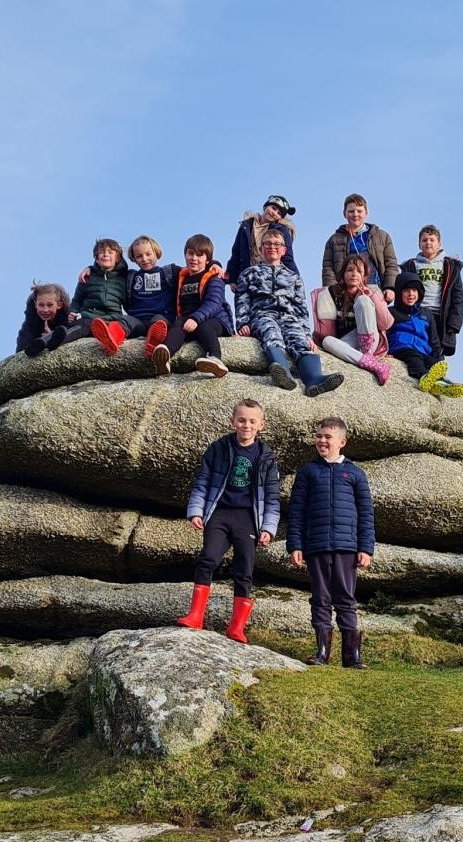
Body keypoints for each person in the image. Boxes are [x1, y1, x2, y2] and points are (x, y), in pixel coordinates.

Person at [178, 399, 281, 643]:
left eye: (252, 421)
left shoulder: (266, 456)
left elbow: (273, 496)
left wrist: (268, 528)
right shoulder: (219, 448)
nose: (246, 425)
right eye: (242, 420)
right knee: (208, 559)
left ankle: (236, 627)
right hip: (220, 513)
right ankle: (195, 616)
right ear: (233, 422)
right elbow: (202, 481)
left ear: (261, 425)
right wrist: (196, 511)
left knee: (244, 570)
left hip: (247, 518)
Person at [287, 417, 375, 670]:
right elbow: (297, 511)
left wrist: (365, 548)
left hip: (347, 547)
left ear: (342, 442)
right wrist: (296, 545)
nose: (322, 440)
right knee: (321, 598)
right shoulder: (307, 473)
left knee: (346, 598)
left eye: (328, 437)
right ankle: (322, 651)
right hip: (316, 546)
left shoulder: (355, 474)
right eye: (319, 436)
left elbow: (366, 513)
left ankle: (352, 655)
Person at [235, 232, 344, 397]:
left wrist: (308, 335)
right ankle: (282, 372)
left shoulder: (294, 277)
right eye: (268, 243)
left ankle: (314, 380)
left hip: (289, 318)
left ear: (284, 250)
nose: (272, 247)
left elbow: (301, 308)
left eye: (277, 244)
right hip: (263, 315)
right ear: (261, 248)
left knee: (300, 341)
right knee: (271, 333)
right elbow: (242, 300)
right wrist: (242, 323)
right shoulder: (249, 273)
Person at [151, 234, 234, 378]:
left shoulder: (214, 278)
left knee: (204, 326)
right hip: (188, 319)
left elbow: (214, 303)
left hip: (215, 319)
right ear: (185, 254)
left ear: (207, 259)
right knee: (178, 324)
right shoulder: (181, 276)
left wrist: (196, 318)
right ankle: (165, 356)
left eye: (199, 255)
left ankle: (215, 358)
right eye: (190, 253)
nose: (194, 258)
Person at [313, 256, 393, 385]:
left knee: (362, 301)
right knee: (327, 341)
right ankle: (374, 365)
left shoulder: (372, 292)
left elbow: (386, 324)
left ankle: (367, 353)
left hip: (371, 340)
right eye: (349, 270)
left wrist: (371, 296)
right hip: (349, 342)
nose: (354, 274)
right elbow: (325, 330)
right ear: (343, 273)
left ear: (363, 276)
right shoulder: (332, 293)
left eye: (358, 271)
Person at [387, 272, 463, 397]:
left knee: (432, 362)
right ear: (399, 293)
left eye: (414, 290)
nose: (411, 294)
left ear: (419, 293)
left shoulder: (426, 314)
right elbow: (385, 332)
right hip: (401, 347)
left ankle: (441, 384)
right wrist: (385, 352)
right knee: (414, 358)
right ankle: (423, 377)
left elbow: (434, 339)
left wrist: (438, 358)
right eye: (406, 290)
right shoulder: (392, 312)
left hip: (423, 350)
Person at [400, 224, 463, 357]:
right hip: (419, 312)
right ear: (419, 244)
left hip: (440, 315)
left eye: (432, 240)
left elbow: (457, 296)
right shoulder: (411, 265)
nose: (428, 242)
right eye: (424, 240)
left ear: (439, 244)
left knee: (437, 351)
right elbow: (402, 291)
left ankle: (437, 374)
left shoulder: (450, 266)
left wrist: (454, 324)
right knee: (417, 345)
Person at [321, 193, 399, 300]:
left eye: (359, 211)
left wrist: (390, 287)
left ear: (366, 213)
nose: (355, 214)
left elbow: (391, 264)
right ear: (344, 214)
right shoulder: (334, 240)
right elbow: (328, 268)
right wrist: (333, 290)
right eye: (351, 211)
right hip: (346, 291)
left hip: (375, 288)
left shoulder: (382, 236)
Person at [68, 238, 138, 355]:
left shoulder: (125, 278)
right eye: (101, 252)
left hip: (112, 319)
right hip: (88, 317)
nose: (105, 254)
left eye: (110, 252)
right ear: (96, 257)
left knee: (121, 327)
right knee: (80, 326)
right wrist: (73, 312)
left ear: (118, 258)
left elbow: (129, 304)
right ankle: (50, 341)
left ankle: (110, 341)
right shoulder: (88, 276)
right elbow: (77, 300)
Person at [225, 194, 299, 288]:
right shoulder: (246, 226)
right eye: (273, 208)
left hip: (269, 279)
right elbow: (236, 252)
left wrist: (296, 280)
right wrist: (232, 278)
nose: (274, 213)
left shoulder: (281, 232)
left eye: (279, 213)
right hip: (246, 277)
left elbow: (288, 258)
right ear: (265, 207)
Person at [16, 282, 72, 358]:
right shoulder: (32, 309)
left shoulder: (66, 311)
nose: (45, 310)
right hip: (38, 329)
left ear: (59, 305)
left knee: (64, 330)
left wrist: (51, 334)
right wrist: (20, 355)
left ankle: (50, 339)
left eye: (50, 305)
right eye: (41, 305)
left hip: (60, 327)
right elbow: (27, 332)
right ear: (35, 304)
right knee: (26, 334)